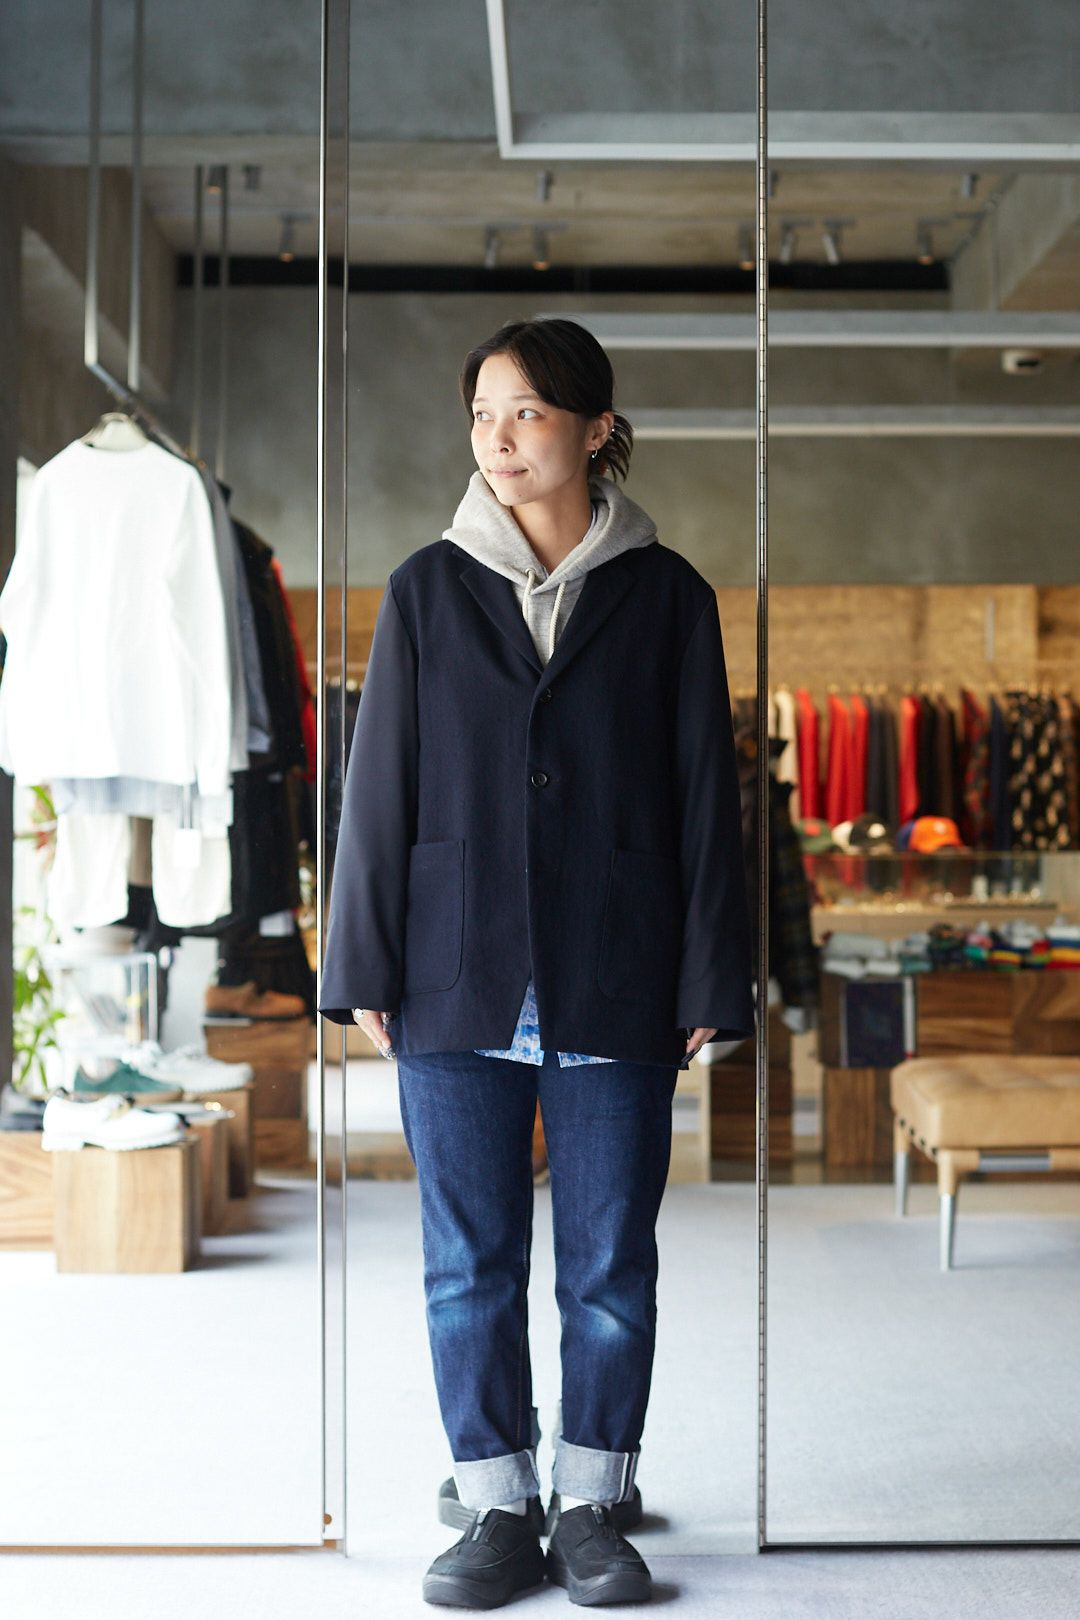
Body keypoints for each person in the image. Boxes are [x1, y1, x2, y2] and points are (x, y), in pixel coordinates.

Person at [319, 317, 753, 1607]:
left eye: (526, 413)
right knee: (469, 1261)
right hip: (453, 969)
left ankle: (593, 1501)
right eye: (482, 415)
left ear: (594, 428)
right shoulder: (426, 588)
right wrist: (362, 962)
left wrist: (709, 977)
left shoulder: (669, 597)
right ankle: (498, 1504)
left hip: (617, 964)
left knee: (611, 1265)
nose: (498, 440)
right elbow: (378, 787)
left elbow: (705, 799)